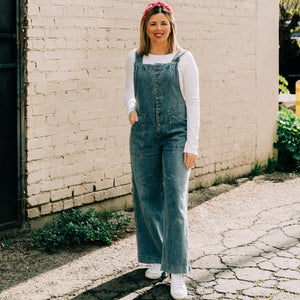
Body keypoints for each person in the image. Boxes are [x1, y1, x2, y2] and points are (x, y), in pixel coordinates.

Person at [124, 2, 199, 299]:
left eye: (163, 23)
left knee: (175, 201)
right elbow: (128, 89)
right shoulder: (134, 57)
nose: (158, 28)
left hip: (176, 135)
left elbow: (193, 103)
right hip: (142, 135)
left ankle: (177, 270)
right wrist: (131, 108)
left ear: (171, 27)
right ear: (146, 28)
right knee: (146, 196)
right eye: (153, 23)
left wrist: (192, 144)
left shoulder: (184, 59)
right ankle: (156, 255)